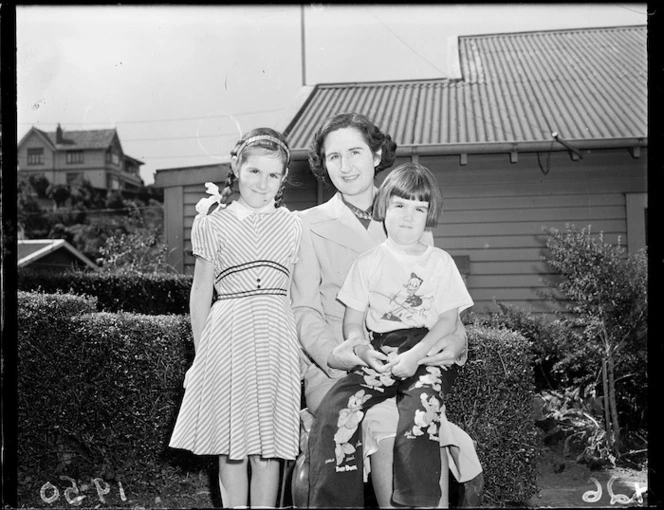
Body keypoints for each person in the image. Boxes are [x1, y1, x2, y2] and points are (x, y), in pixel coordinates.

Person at [291, 112, 482, 508]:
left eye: (355, 152)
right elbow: (304, 309)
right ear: (323, 165)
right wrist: (334, 354)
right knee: (386, 420)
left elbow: (437, 300)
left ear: (377, 154)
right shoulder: (307, 225)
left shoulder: (410, 210)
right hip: (342, 365)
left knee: (422, 421)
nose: (345, 166)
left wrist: (457, 339)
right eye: (333, 157)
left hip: (411, 358)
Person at [169, 128, 302, 508]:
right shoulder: (213, 223)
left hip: (275, 337)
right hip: (229, 338)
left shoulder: (292, 225)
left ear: (282, 179)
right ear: (236, 169)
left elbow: (291, 292)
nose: (263, 184)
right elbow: (201, 293)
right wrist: (200, 356)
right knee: (232, 445)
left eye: (273, 175)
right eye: (255, 172)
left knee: (268, 447)